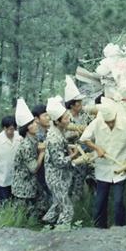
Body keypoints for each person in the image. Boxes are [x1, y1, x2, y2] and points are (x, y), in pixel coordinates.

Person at [80, 97, 126, 228]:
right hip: (103, 168)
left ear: (116, 115)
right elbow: (85, 139)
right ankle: (99, 229)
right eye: (107, 123)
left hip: (120, 167)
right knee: (100, 202)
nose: (110, 124)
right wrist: (97, 148)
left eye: (112, 122)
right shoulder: (97, 122)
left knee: (118, 202)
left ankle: (119, 228)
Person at [43, 96, 80, 226]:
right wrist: (73, 156)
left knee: (58, 204)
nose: (68, 119)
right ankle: (61, 233)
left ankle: (47, 224)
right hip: (55, 177)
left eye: (67, 116)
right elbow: (59, 162)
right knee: (67, 209)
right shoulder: (54, 138)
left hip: (60, 176)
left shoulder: (59, 130)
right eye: (65, 118)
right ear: (57, 121)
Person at [11, 99, 49, 218]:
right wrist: (41, 153)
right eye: (32, 124)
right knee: (22, 216)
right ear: (27, 128)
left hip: (32, 184)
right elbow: (33, 168)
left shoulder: (35, 139)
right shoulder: (26, 145)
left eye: (34, 122)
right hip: (23, 187)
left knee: (38, 211)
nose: (35, 125)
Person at [64, 75, 94, 201]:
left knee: (92, 176)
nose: (81, 104)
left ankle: (90, 199)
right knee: (76, 181)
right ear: (72, 104)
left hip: (87, 151)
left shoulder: (84, 114)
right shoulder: (65, 117)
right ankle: (75, 204)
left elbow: (91, 127)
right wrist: (77, 132)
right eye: (78, 102)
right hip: (73, 153)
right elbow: (63, 135)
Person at [0, 115, 22, 205]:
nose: (11, 132)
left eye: (13, 129)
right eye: (9, 129)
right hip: (2, 177)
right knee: (3, 201)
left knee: (15, 202)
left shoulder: (19, 137)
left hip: (16, 176)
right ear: (4, 128)